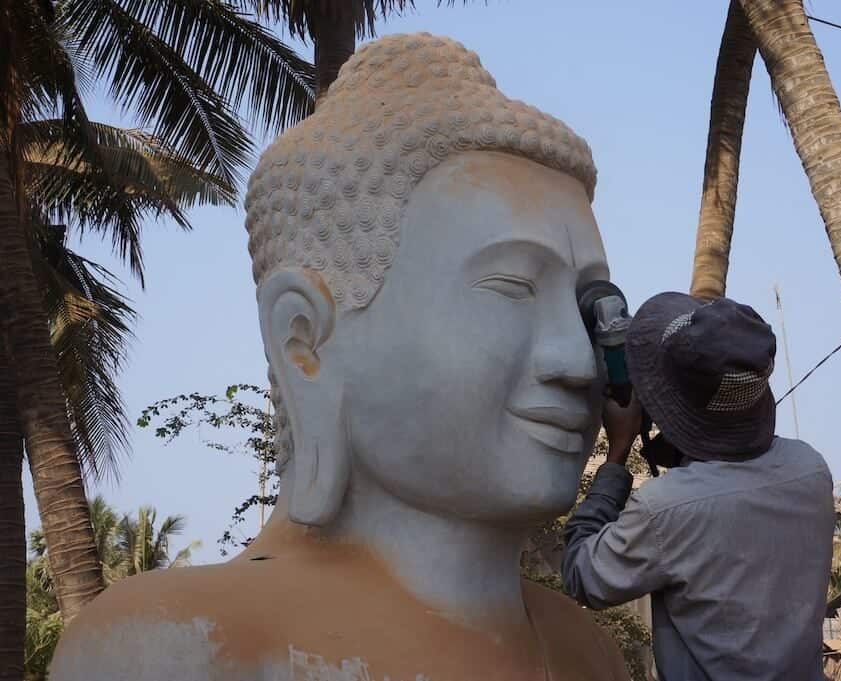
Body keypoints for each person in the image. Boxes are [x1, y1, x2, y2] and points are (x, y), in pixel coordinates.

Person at [51, 33, 630, 681]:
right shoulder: (174, 648)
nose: (579, 361)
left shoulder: (588, 651)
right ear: (306, 342)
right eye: (513, 288)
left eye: (590, 306)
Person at [562, 292, 835, 681]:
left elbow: (582, 576)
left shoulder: (665, 509)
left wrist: (618, 451)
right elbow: (723, 493)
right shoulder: (810, 469)